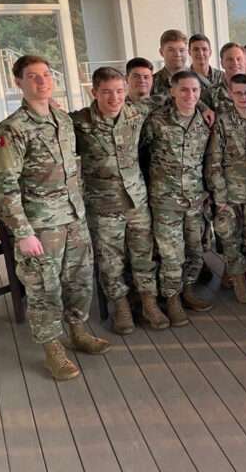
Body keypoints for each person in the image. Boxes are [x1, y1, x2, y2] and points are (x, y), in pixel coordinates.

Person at [0, 54, 109, 381]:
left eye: (46, 75)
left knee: (80, 281)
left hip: (74, 218)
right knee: (45, 290)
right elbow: (4, 187)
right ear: (18, 83)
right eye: (33, 77)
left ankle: (77, 332)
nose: (42, 81)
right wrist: (23, 232)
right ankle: (51, 349)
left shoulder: (62, 119)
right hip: (41, 226)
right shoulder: (11, 129)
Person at [71, 67, 169, 334]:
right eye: (106, 92)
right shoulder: (79, 122)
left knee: (143, 255)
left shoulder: (137, 114)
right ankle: (122, 308)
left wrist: (205, 107)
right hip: (102, 206)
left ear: (125, 90)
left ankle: (149, 304)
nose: (114, 97)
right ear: (94, 92)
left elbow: (175, 96)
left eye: (119, 91)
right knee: (109, 261)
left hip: (136, 201)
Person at [142, 70, 214, 326]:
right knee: (172, 255)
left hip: (195, 199)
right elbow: (141, 156)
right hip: (166, 202)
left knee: (195, 250)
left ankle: (187, 291)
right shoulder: (156, 121)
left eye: (195, 90)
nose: (190, 95)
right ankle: (172, 300)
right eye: (184, 90)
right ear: (172, 91)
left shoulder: (204, 122)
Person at [206, 73, 246, 304]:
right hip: (229, 193)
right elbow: (214, 161)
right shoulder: (222, 121)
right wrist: (220, 196)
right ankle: (238, 279)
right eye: (239, 93)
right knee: (229, 236)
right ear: (230, 94)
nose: (244, 97)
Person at [204, 42, 246, 114]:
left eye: (239, 59)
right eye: (230, 59)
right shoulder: (209, 96)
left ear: (245, 63)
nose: (235, 62)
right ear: (222, 64)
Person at [151, 29, 188, 105]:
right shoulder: (150, 83)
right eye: (171, 50)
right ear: (161, 52)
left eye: (181, 50)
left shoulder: (200, 81)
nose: (177, 54)